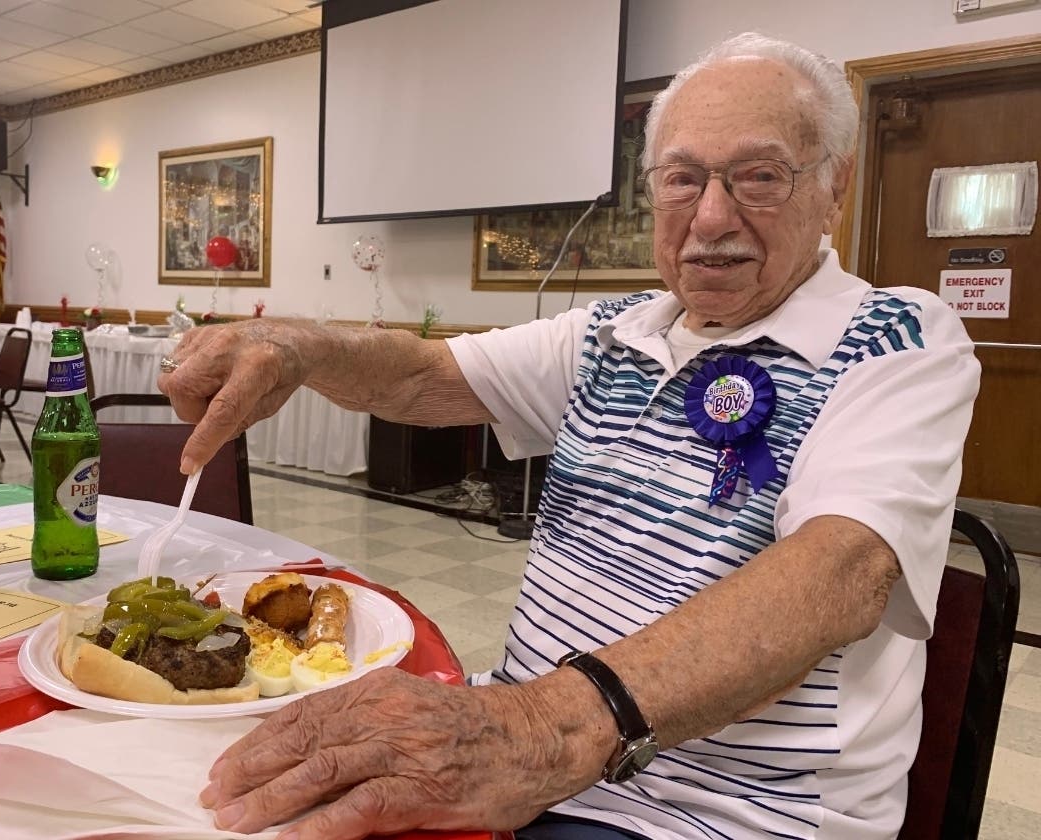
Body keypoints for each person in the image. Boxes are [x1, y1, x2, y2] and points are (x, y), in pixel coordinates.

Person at [159, 32, 979, 840]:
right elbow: (417, 375)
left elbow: (838, 574)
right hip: (535, 768)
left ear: (833, 186)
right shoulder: (614, 331)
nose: (713, 216)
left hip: (714, 812)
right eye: (683, 179)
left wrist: (538, 727)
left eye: (759, 177)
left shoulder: (901, 338)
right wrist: (299, 348)